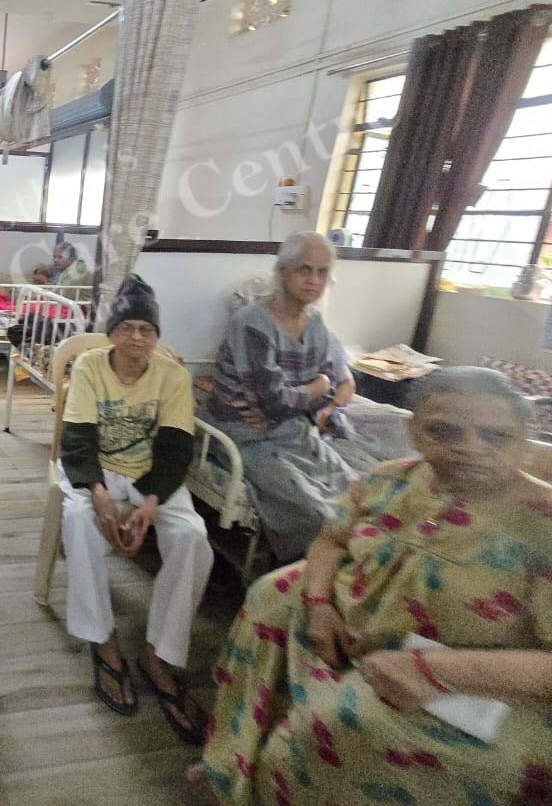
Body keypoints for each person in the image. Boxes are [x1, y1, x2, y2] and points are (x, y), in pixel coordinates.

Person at [194, 367, 552, 806]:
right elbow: (332, 538)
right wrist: (319, 605)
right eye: (443, 431)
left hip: (477, 683)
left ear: (524, 439)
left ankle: (282, 778)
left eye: (495, 436)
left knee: (343, 719)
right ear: (413, 430)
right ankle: (235, 761)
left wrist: (431, 671)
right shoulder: (390, 479)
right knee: (271, 596)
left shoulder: (543, 522)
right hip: (350, 634)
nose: (469, 448)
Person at [59, 275, 214, 744]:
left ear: (156, 337)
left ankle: (158, 654)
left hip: (152, 478)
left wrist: (149, 502)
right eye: (126, 327)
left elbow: (176, 449)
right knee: (78, 521)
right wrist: (99, 493)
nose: (135, 338)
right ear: (111, 333)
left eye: (146, 329)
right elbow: (77, 441)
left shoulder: (172, 377)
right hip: (98, 473)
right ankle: (102, 639)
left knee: (192, 538)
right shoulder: (89, 367)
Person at [204, 232, 357, 562]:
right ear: (283, 271)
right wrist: (315, 386)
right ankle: (306, 576)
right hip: (245, 436)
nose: (313, 280)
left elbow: (322, 389)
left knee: (358, 497)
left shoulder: (315, 324)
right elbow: (273, 401)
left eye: (322, 272)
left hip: (294, 431)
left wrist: (308, 394)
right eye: (305, 270)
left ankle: (359, 576)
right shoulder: (251, 324)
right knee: (316, 513)